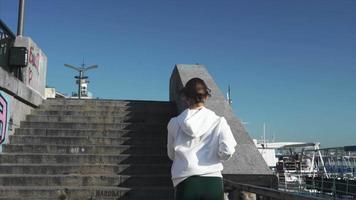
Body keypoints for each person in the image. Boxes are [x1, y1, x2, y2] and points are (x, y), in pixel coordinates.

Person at [167, 77, 237, 200]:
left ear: (185, 98)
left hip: (185, 181)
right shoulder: (218, 121)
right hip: (213, 181)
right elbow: (227, 151)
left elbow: (171, 154)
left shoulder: (174, 123)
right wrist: (215, 157)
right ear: (206, 96)